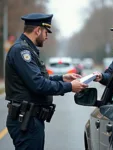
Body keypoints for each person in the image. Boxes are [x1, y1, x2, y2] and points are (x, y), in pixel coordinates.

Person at [5, 13, 88, 150]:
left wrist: (62, 77)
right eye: (45, 31)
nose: (47, 36)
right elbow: (39, 84)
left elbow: (38, 78)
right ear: (37, 30)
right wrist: (69, 86)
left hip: (30, 118)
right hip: (26, 120)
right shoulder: (22, 51)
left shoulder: (28, 50)